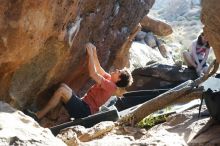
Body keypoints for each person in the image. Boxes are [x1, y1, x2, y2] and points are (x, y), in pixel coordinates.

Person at [24, 42, 133, 122]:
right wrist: (94, 51)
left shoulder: (111, 87)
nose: (117, 70)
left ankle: (38, 116)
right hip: (83, 106)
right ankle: (51, 116)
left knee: (62, 90)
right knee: (62, 86)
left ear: (119, 79)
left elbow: (93, 74)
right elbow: (99, 68)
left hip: (85, 111)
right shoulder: (109, 79)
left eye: (119, 72)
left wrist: (90, 54)